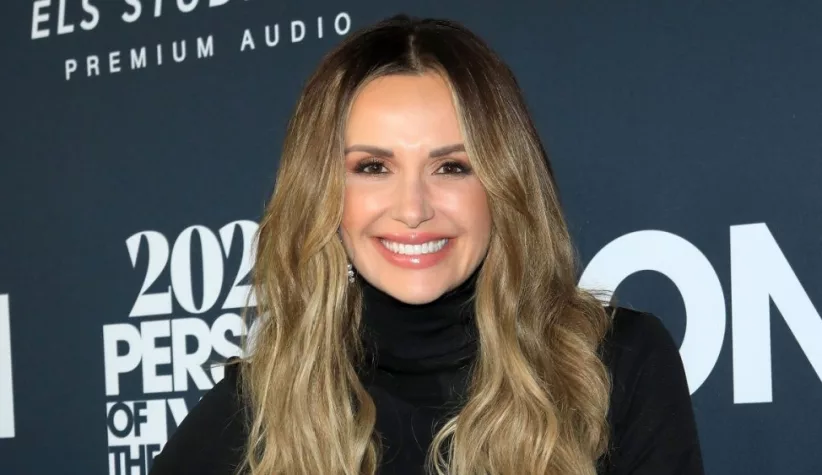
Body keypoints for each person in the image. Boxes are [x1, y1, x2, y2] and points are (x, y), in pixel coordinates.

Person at [149, 14, 704, 475]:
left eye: (451, 166)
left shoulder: (617, 366)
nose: (413, 208)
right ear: (322, 193)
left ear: (504, 184)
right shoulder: (255, 411)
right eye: (372, 167)